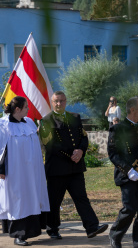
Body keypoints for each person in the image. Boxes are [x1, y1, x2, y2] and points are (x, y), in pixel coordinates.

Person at [39, 91, 108, 240]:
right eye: (56, 101)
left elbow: (83, 137)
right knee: (54, 201)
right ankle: (53, 229)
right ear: (52, 102)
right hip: (57, 169)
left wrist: (81, 151)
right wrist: (72, 154)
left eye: (62, 101)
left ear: (66, 101)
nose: (59, 104)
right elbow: (50, 145)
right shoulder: (46, 121)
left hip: (75, 168)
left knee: (81, 198)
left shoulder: (75, 117)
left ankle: (91, 227)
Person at [0, 96, 50, 246]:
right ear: (17, 109)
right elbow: (1, 149)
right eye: (26, 107)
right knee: (19, 200)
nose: (28, 109)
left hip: (33, 171)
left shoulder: (28, 122)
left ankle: (31, 231)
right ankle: (18, 235)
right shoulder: (3, 125)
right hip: (16, 171)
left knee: (33, 197)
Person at [108, 97, 138, 248]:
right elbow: (113, 154)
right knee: (130, 207)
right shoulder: (118, 129)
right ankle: (115, 234)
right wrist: (128, 170)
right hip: (127, 176)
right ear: (133, 110)